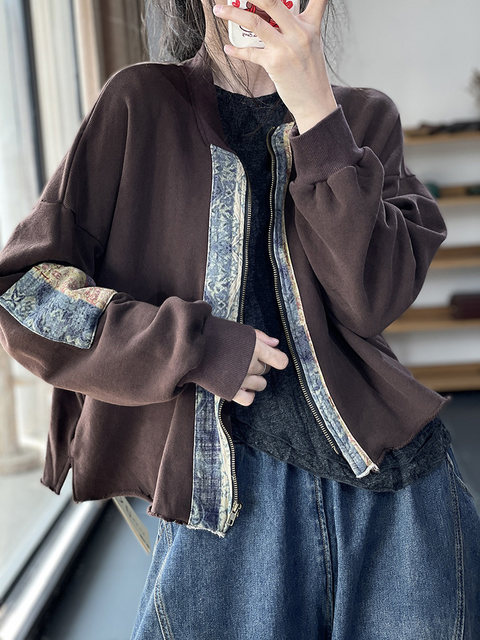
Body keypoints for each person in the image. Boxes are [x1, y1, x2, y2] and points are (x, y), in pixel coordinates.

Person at [0, 0, 478, 638]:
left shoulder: (365, 118)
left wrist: (315, 111)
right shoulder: (139, 104)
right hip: (221, 505)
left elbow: (370, 299)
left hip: (397, 502)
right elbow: (24, 295)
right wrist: (193, 346)